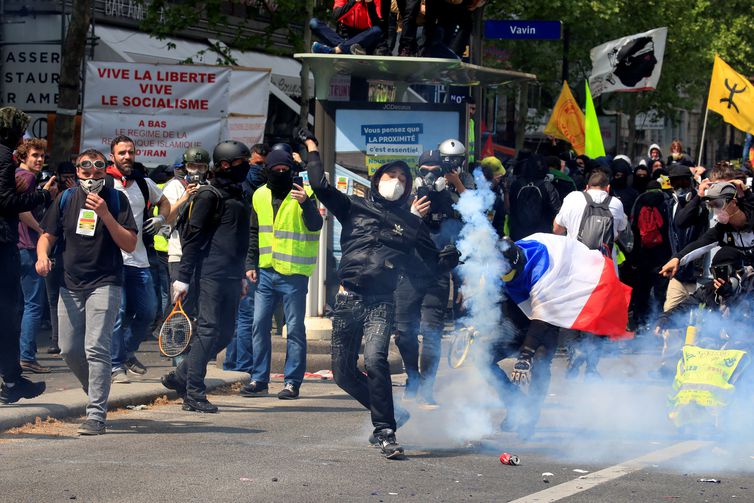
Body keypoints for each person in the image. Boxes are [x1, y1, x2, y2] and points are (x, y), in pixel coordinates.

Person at [305, 127, 459, 459]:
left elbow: (430, 265)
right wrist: (312, 147)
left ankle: (385, 430)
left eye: (404, 177)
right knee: (343, 372)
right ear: (377, 179)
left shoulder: (411, 222)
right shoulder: (354, 207)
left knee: (375, 359)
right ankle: (394, 413)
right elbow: (319, 186)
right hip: (347, 299)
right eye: (391, 174)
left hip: (381, 302)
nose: (397, 181)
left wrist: (447, 260)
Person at [35, 148, 137, 434]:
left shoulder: (117, 199)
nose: (92, 177)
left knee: (96, 347)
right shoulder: (66, 198)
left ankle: (96, 414)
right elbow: (47, 235)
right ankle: (95, 388)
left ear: (105, 171)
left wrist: (104, 213)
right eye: (86, 171)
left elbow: (129, 244)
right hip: (69, 283)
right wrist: (42, 256)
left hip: (105, 281)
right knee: (68, 349)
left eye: (98, 172)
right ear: (77, 172)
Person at [162, 140, 252, 413]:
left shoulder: (239, 194)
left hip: (231, 275)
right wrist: (184, 278)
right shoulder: (208, 195)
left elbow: (239, 240)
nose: (246, 166)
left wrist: (241, 276)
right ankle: (193, 394)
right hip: (209, 274)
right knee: (208, 330)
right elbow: (193, 239)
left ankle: (180, 376)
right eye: (241, 161)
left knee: (224, 333)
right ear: (224, 165)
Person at [239, 147, 322, 399]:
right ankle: (259, 379)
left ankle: (292, 382)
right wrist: (250, 264)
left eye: (285, 169)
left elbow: (316, 225)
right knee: (259, 324)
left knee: (295, 328)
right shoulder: (260, 195)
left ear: (292, 170)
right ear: (268, 171)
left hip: (294, 273)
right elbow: (254, 231)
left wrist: (307, 204)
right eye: (275, 170)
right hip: (266, 271)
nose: (281, 173)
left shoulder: (304, 194)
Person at [394, 149, 463, 409]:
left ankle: (427, 388)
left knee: (432, 334)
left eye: (436, 170)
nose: (430, 175)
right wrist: (412, 215)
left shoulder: (451, 199)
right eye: (425, 169)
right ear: (418, 172)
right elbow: (392, 235)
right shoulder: (406, 200)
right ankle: (413, 379)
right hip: (408, 274)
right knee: (404, 333)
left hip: (438, 274)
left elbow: (472, 228)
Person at [0, 107, 54, 405]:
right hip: (4, 243)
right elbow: (6, 202)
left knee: (11, 312)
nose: (23, 136)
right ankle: (11, 380)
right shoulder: (4, 159)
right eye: (20, 130)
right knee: (11, 312)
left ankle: (12, 379)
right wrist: (43, 195)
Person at [107, 136, 170, 383]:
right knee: (118, 313)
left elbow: (164, 202)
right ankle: (115, 366)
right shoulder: (105, 183)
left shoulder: (143, 183)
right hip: (113, 260)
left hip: (140, 259)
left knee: (148, 312)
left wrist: (161, 219)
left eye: (130, 152)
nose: (127, 157)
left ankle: (125, 352)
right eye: (121, 153)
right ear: (112, 156)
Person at [553, 169, 626, 378]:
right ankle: (592, 367)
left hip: (575, 268)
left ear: (586, 186)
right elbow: (618, 232)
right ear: (608, 188)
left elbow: (557, 229)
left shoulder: (573, 198)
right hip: (604, 270)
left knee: (572, 314)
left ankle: (572, 353)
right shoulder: (616, 203)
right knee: (598, 317)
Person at [15, 138, 52, 373]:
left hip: (15, 248)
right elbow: (21, 210)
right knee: (33, 305)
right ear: (23, 157)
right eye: (34, 155)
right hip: (27, 247)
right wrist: (42, 230)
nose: (39, 160)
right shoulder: (26, 177)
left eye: (41, 156)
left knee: (18, 305)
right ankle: (26, 356)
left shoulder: (17, 175)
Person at [44, 161, 77, 355]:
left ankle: (68, 339)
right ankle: (56, 339)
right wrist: (50, 195)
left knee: (71, 298)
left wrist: (75, 193)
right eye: (63, 175)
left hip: (70, 254)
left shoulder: (78, 193)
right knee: (52, 299)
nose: (67, 179)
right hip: (51, 252)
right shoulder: (52, 193)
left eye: (70, 175)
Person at [508, 154, 561, 241]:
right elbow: (557, 210)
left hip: (519, 235)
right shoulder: (547, 186)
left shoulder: (516, 184)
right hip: (542, 236)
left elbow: (510, 208)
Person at [310, 0, 383, 55]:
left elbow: (375, 24)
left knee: (377, 30)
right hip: (345, 36)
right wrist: (354, 1)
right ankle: (348, 49)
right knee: (314, 23)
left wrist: (370, 3)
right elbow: (336, 16)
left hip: (364, 38)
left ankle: (335, 50)